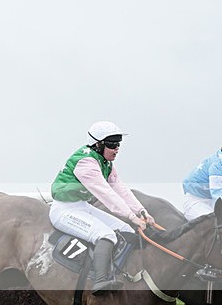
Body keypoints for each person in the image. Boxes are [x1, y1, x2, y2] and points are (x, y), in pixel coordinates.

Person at [50, 121, 156, 295]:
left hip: (82, 206)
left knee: (126, 229)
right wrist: (131, 215)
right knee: (106, 235)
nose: (116, 149)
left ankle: (121, 272)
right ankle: (100, 281)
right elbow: (107, 194)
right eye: (112, 145)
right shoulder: (85, 162)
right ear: (97, 144)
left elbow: (121, 189)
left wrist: (142, 212)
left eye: (118, 145)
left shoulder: (105, 162)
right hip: (64, 210)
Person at [181, 148, 222, 220]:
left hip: (212, 202)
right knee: (213, 223)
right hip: (196, 201)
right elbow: (218, 198)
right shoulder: (217, 165)